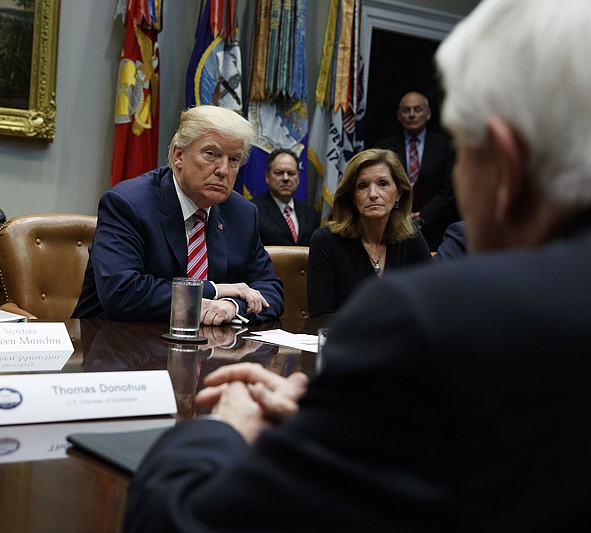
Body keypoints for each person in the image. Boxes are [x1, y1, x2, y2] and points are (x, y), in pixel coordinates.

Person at [124, 0, 591, 530]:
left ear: (505, 164)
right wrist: (332, 415)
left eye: (463, 153)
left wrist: (225, 424)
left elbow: (177, 519)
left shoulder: (433, 319)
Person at [72, 105, 283, 324]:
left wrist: (232, 306)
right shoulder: (127, 204)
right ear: (179, 155)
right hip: (119, 344)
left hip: (211, 350)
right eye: (211, 154)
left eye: (234, 160)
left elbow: (270, 291)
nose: (223, 170)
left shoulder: (243, 214)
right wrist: (214, 290)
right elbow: (122, 292)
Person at [307, 148, 431, 316]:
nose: (373, 194)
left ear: (399, 193)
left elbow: (431, 304)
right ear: (352, 197)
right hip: (347, 341)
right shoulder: (325, 241)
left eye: (383, 184)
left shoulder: (411, 236)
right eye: (362, 186)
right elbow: (320, 316)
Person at [375, 91, 458, 250]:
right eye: (406, 110)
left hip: (436, 229)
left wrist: (423, 217)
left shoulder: (446, 147)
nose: (412, 114)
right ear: (399, 116)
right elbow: (379, 184)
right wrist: (400, 213)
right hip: (392, 227)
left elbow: (450, 189)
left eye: (417, 109)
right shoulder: (383, 148)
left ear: (428, 114)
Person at [251, 148, 319, 246]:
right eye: (279, 172)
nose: (286, 178)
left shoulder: (310, 213)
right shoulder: (253, 210)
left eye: (291, 173)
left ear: (298, 177)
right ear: (267, 176)